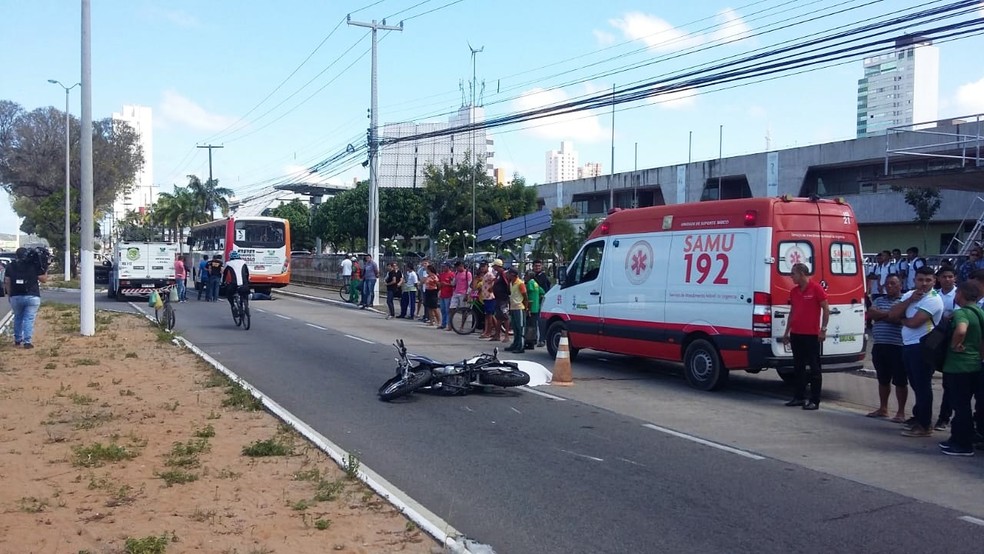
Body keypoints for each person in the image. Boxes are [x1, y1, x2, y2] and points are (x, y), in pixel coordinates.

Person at [889, 265, 945, 437]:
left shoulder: (933, 299)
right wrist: (910, 300)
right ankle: (918, 416)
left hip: (923, 347)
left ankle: (925, 424)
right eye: (920, 280)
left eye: (928, 280)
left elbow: (914, 322)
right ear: (914, 280)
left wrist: (902, 319)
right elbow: (892, 314)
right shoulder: (909, 295)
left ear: (934, 281)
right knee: (915, 384)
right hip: (908, 345)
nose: (924, 284)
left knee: (922, 386)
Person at [939, 280, 984, 456]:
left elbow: (961, 330)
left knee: (961, 405)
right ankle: (957, 438)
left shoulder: (962, 313)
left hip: (958, 366)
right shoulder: (979, 313)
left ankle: (963, 444)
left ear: (961, 295)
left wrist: (955, 344)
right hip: (974, 364)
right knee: (965, 404)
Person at [782, 263, 830, 411]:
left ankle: (815, 400)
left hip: (811, 335)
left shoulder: (816, 288)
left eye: (793, 274)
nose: (791, 276)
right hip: (797, 333)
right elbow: (792, 312)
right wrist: (786, 332)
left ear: (802, 273)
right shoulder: (794, 291)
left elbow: (826, 309)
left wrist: (823, 330)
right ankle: (799, 397)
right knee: (798, 367)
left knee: (814, 368)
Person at [865, 275, 908, 422]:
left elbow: (899, 319)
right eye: (887, 284)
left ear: (900, 285)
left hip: (897, 346)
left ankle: (901, 412)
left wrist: (882, 315)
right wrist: (890, 314)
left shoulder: (904, 301)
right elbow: (871, 314)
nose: (889, 286)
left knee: (900, 380)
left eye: (893, 284)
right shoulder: (879, 300)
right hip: (879, 346)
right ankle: (883, 408)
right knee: (883, 379)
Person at [3, 247, 49, 348]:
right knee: (29, 318)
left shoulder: (11, 266)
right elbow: (43, 279)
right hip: (32, 296)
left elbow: (7, 281)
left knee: (18, 317)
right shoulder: (33, 265)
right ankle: (27, 341)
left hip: (16, 295)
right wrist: (45, 268)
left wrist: (10, 294)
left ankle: (17, 339)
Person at [933, 265, 958, 431]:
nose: (947, 279)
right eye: (944, 277)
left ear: (955, 278)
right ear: (939, 279)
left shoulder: (959, 294)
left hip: (951, 338)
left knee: (950, 383)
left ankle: (944, 417)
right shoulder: (934, 295)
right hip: (935, 338)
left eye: (950, 276)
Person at [505, 269, 529, 353]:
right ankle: (515, 344)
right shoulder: (511, 283)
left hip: (519, 308)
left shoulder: (520, 283)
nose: (507, 276)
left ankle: (521, 346)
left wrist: (526, 308)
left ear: (512, 274)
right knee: (515, 328)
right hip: (513, 307)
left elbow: (525, 297)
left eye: (508, 274)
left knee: (521, 327)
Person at [490, 259, 512, 344]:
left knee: (505, 317)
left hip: (503, 299)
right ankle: (497, 335)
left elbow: (507, 284)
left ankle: (506, 335)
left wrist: (507, 293)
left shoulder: (503, 273)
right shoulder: (498, 274)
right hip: (498, 298)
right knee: (499, 317)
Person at [532, 260, 552, 347]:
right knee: (534, 321)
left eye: (539, 266)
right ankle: (534, 339)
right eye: (536, 266)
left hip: (541, 302)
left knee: (540, 321)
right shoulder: (534, 276)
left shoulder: (542, 277)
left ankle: (542, 340)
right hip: (534, 302)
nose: (537, 267)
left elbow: (545, 288)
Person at [449, 261, 473, 332]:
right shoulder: (457, 273)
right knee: (451, 308)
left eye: (458, 267)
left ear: (462, 266)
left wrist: (467, 294)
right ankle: (450, 325)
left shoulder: (467, 274)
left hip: (463, 293)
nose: (457, 268)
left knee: (463, 310)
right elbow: (454, 283)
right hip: (456, 292)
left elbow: (470, 285)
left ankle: (462, 326)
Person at [525, 270, 545, 349]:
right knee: (533, 325)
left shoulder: (529, 284)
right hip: (536, 307)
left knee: (530, 326)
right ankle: (534, 340)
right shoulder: (536, 284)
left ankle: (530, 342)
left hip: (530, 307)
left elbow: (526, 295)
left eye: (525, 276)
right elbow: (542, 292)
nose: (524, 277)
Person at [478, 262, 497, 340]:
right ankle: (493, 331)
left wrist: (492, 288)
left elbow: (495, 280)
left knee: (489, 316)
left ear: (487, 267)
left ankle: (489, 332)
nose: (482, 268)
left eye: (484, 266)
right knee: (489, 316)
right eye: (481, 267)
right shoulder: (484, 275)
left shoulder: (489, 274)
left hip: (490, 297)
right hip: (485, 297)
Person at [437, 263, 454, 330]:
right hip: (442, 294)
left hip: (448, 294)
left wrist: (446, 284)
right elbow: (439, 283)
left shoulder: (452, 274)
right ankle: (443, 323)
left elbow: (453, 284)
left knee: (448, 310)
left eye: (445, 267)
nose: (443, 268)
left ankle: (448, 324)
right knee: (443, 309)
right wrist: (439, 284)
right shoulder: (442, 274)